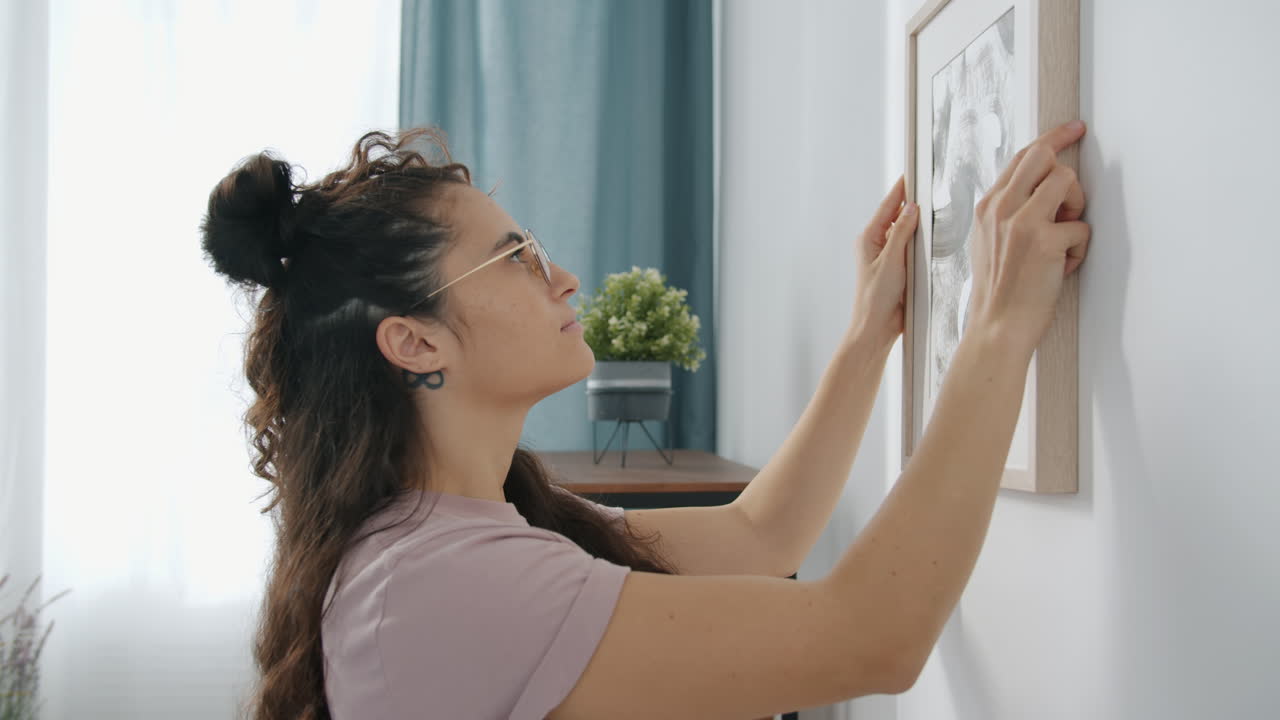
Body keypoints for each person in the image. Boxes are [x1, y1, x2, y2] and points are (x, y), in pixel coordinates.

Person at [201, 120, 1088, 720]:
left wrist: (867, 338)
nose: (562, 278)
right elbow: (874, 637)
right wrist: (1000, 326)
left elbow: (758, 535)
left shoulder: (471, 536)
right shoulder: (443, 581)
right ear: (416, 342)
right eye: (516, 257)